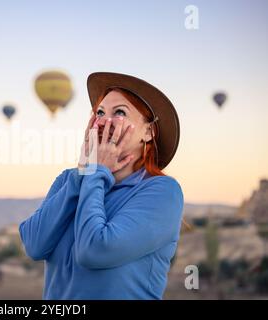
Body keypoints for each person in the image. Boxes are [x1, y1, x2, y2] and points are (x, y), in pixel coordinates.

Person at [19, 72, 184, 299]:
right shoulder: (69, 179)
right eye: (99, 113)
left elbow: (95, 251)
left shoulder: (163, 192)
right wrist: (83, 174)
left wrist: (96, 173)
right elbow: (34, 245)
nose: (104, 121)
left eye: (119, 112)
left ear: (148, 132)